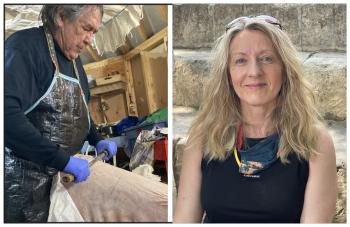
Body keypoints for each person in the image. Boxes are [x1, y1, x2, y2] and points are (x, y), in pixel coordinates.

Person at [174, 15, 337, 223]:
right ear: (228, 73)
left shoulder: (315, 141)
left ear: (285, 69)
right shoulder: (203, 136)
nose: (254, 72)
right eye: (241, 60)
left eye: (266, 58)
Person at [5, 5, 118, 222]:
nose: (89, 40)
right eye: (86, 28)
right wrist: (61, 160)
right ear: (61, 17)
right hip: (22, 191)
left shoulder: (75, 63)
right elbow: (7, 117)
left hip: (63, 183)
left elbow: (79, 111)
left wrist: (96, 138)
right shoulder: (24, 48)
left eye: (94, 32)